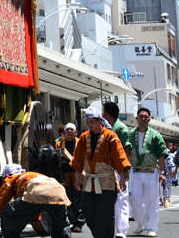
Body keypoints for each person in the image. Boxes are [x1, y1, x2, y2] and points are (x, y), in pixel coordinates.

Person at [71, 106, 131, 238]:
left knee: (105, 216)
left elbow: (119, 157)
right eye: (87, 122)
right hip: (89, 181)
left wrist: (122, 178)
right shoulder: (83, 137)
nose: (90, 125)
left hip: (107, 181)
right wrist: (78, 178)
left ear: (100, 120)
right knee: (87, 212)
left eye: (92, 122)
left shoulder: (111, 136)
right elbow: (78, 159)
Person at [0, 163, 70, 238]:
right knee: (60, 225)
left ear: (7, 175)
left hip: (38, 191)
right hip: (59, 190)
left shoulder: (10, 178)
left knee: (9, 210)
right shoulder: (32, 175)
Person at [126, 107, 167, 237]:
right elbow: (126, 152)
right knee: (135, 199)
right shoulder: (130, 134)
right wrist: (125, 170)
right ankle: (140, 223)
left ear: (149, 119)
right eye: (141, 116)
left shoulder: (156, 135)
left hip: (151, 172)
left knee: (152, 200)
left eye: (146, 116)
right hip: (136, 172)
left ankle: (151, 227)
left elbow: (161, 155)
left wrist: (162, 172)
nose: (143, 118)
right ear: (136, 118)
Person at [101, 102, 133, 238]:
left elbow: (126, 151)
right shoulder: (104, 128)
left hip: (118, 169)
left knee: (121, 199)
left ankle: (122, 230)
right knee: (108, 201)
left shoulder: (122, 129)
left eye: (103, 113)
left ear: (107, 114)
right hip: (106, 169)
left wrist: (124, 170)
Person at [55, 123, 85, 233]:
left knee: (79, 199)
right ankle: (73, 221)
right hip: (65, 176)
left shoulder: (80, 143)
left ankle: (79, 222)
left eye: (72, 130)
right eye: (68, 130)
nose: (70, 131)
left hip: (78, 175)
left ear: (76, 132)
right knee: (69, 199)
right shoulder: (59, 144)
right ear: (64, 132)